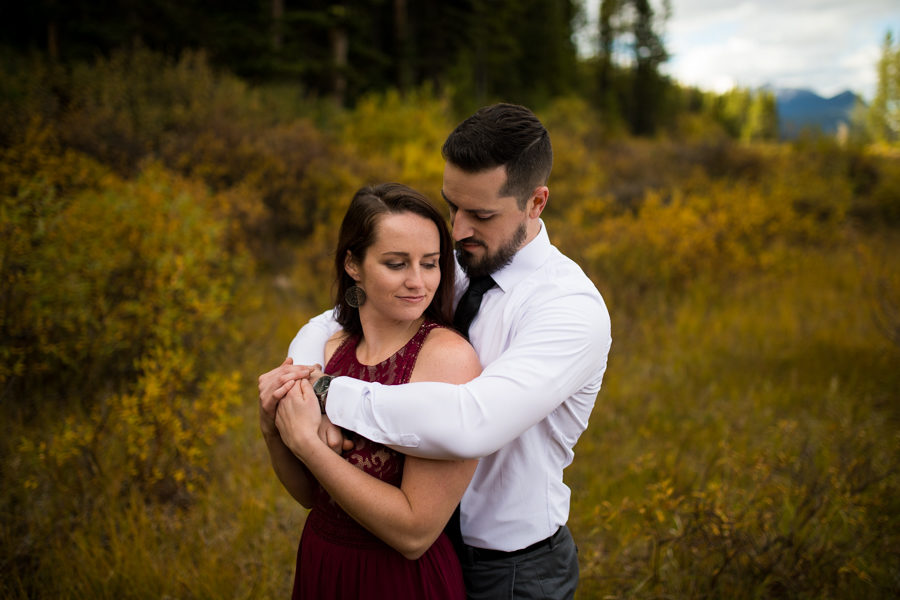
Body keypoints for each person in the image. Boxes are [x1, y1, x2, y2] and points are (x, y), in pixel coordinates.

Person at [259, 103, 612, 599]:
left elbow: (471, 422)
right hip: (407, 549)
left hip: (509, 572)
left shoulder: (569, 309)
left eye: (481, 214)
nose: (459, 229)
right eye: (453, 206)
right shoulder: (448, 260)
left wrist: (324, 394)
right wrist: (299, 375)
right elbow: (337, 315)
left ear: (536, 203)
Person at [260, 183, 482, 599]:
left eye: (430, 264)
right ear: (353, 265)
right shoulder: (329, 351)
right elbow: (312, 497)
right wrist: (273, 429)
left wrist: (307, 444)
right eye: (397, 264)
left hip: (399, 579)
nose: (418, 281)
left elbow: (415, 533)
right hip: (322, 563)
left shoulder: (447, 360)